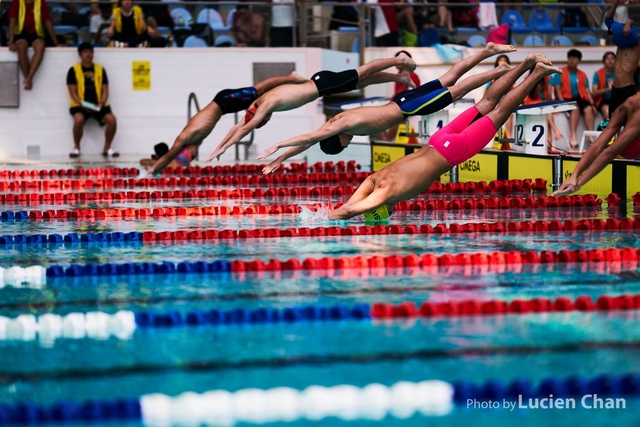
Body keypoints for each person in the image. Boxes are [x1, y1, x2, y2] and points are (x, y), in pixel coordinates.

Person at [326, 54, 560, 220]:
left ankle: (537, 72)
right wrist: (344, 208)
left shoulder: (387, 193)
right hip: (438, 139)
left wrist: (325, 219)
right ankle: (527, 63)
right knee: (486, 103)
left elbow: (347, 211)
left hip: (451, 151)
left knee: (500, 112)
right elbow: (349, 204)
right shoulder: (374, 179)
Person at [257, 43, 516, 174]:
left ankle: (499, 69)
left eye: (344, 145)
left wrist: (278, 147)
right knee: (448, 78)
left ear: (338, 139)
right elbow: (309, 143)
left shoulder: (340, 126)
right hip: (403, 102)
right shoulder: (334, 124)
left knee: (455, 90)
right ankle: (487, 52)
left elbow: (308, 138)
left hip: (408, 107)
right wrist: (281, 160)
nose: (348, 144)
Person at [206, 53, 421, 161]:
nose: (266, 120)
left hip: (321, 85)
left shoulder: (266, 104)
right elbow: (240, 126)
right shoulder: (258, 103)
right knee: (360, 81)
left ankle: (397, 60)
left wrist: (223, 148)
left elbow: (244, 128)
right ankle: (399, 75)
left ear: (258, 116)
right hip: (320, 83)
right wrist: (220, 145)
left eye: (263, 121)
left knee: (362, 73)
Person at [145, 72, 308, 176]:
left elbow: (168, 157)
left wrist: (151, 172)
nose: (195, 154)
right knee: (262, 98)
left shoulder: (185, 138)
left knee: (258, 90)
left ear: (186, 150)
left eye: (192, 155)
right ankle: (289, 86)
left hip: (223, 102)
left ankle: (291, 77)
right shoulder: (194, 140)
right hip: (224, 107)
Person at [553, 91, 640, 197]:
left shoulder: (628, 103)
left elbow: (601, 147)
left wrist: (576, 178)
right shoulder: (632, 107)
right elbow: (607, 151)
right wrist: (576, 180)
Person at [66, 42, 118, 158]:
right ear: (80, 55)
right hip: (80, 105)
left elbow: (105, 90)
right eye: (85, 52)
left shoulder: (100, 69)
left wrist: (101, 103)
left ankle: (107, 147)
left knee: (112, 120)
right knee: (79, 119)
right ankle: (76, 148)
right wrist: (84, 105)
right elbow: (72, 93)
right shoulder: (73, 70)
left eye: (90, 52)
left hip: (98, 104)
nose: (88, 54)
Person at [8, 0, 61, 91]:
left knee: (41, 46)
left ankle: (28, 78)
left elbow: (48, 23)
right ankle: (28, 79)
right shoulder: (17, 2)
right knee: (21, 46)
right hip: (20, 33)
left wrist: (56, 43)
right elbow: (12, 22)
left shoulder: (41, 2)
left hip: (36, 34)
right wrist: (11, 42)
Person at [550, 49, 597, 149]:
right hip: (566, 99)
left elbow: (587, 91)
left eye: (575, 58)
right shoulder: (560, 72)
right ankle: (573, 137)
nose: (572, 60)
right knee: (575, 108)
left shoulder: (582, 74)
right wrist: (562, 102)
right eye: (570, 58)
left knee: (588, 109)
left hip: (580, 98)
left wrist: (593, 105)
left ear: (579, 61)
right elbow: (557, 88)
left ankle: (590, 136)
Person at [603, 0, 640, 118]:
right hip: (615, 89)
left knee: (629, 124)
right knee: (611, 122)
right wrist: (615, 4)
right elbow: (607, 20)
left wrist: (629, 23)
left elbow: (626, 31)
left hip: (628, 89)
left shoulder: (636, 43)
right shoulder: (621, 43)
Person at [374, 50, 421, 142]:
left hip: (406, 106)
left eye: (398, 60)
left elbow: (412, 95)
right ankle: (386, 140)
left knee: (392, 117)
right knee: (376, 117)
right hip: (399, 105)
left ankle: (387, 141)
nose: (396, 63)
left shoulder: (412, 76)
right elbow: (397, 95)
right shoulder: (399, 77)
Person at [523, 69, 563, 148]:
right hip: (531, 103)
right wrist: (536, 88)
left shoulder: (547, 78)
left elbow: (548, 98)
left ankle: (550, 141)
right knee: (546, 110)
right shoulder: (528, 78)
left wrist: (549, 88)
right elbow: (527, 96)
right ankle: (555, 131)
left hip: (543, 106)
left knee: (548, 110)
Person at [486, 54, 514, 142]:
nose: (502, 62)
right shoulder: (493, 76)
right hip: (496, 100)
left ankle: (508, 137)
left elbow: (512, 89)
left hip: (506, 99)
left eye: (504, 60)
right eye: (500, 60)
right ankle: (496, 137)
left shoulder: (511, 75)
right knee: (496, 113)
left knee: (509, 114)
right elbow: (487, 92)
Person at [592, 51, 616, 124]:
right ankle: (608, 132)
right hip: (603, 101)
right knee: (607, 111)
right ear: (603, 61)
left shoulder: (619, 73)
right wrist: (608, 89)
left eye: (612, 58)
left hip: (617, 99)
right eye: (607, 58)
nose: (610, 61)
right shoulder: (598, 73)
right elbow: (594, 92)